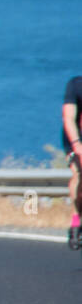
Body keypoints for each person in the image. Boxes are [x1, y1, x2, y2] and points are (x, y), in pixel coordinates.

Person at [65, 76, 82, 246]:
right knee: (78, 173)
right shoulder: (76, 85)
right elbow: (68, 118)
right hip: (75, 137)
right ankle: (76, 221)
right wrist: (77, 145)